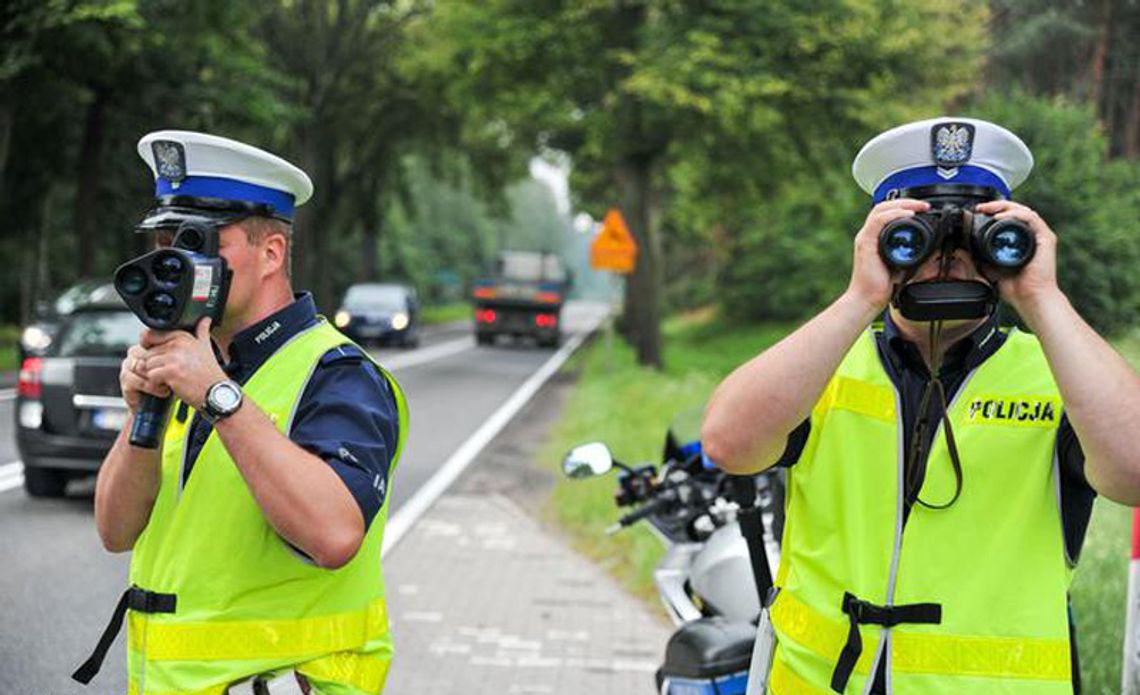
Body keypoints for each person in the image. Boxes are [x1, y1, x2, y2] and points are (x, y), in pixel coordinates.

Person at [702, 117, 1140, 694]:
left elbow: (1133, 471)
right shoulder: (826, 367)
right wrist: (862, 296)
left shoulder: (1056, 379)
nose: (946, 257)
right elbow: (728, 445)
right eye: (921, 235)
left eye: (968, 241)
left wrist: (1041, 295)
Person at [73, 131, 407, 695]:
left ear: (271, 253)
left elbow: (333, 535)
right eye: (165, 242)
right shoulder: (193, 362)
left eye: (200, 242)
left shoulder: (338, 375)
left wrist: (218, 397)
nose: (175, 262)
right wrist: (142, 413)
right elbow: (115, 530)